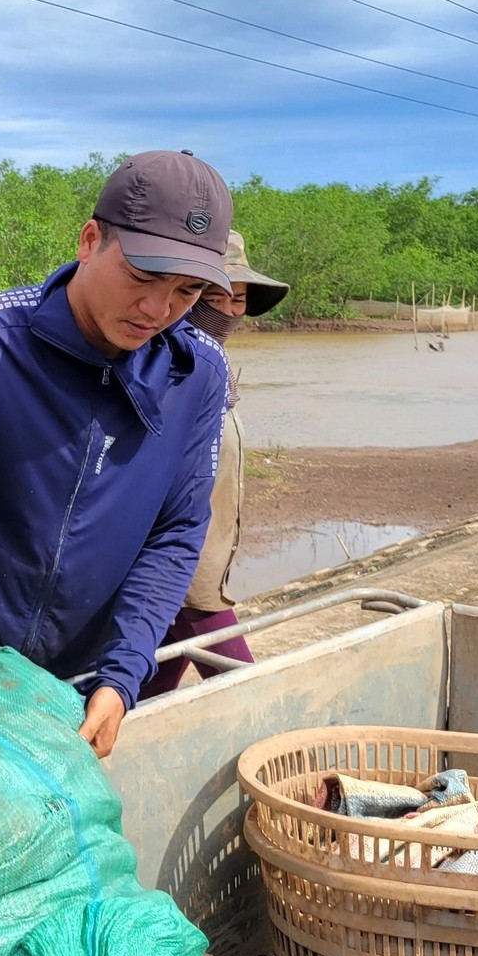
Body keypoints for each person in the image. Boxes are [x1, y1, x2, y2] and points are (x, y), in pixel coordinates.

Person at [0, 151, 232, 757]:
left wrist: (125, 670)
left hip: (85, 688)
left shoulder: (199, 374)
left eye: (186, 291)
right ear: (89, 241)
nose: (158, 311)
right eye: (142, 277)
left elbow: (178, 529)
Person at [140, 230, 291, 698]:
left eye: (240, 299)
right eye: (214, 297)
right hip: (183, 570)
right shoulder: (160, 367)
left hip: (205, 560)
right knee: (243, 689)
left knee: (152, 685)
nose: (229, 311)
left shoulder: (214, 367)